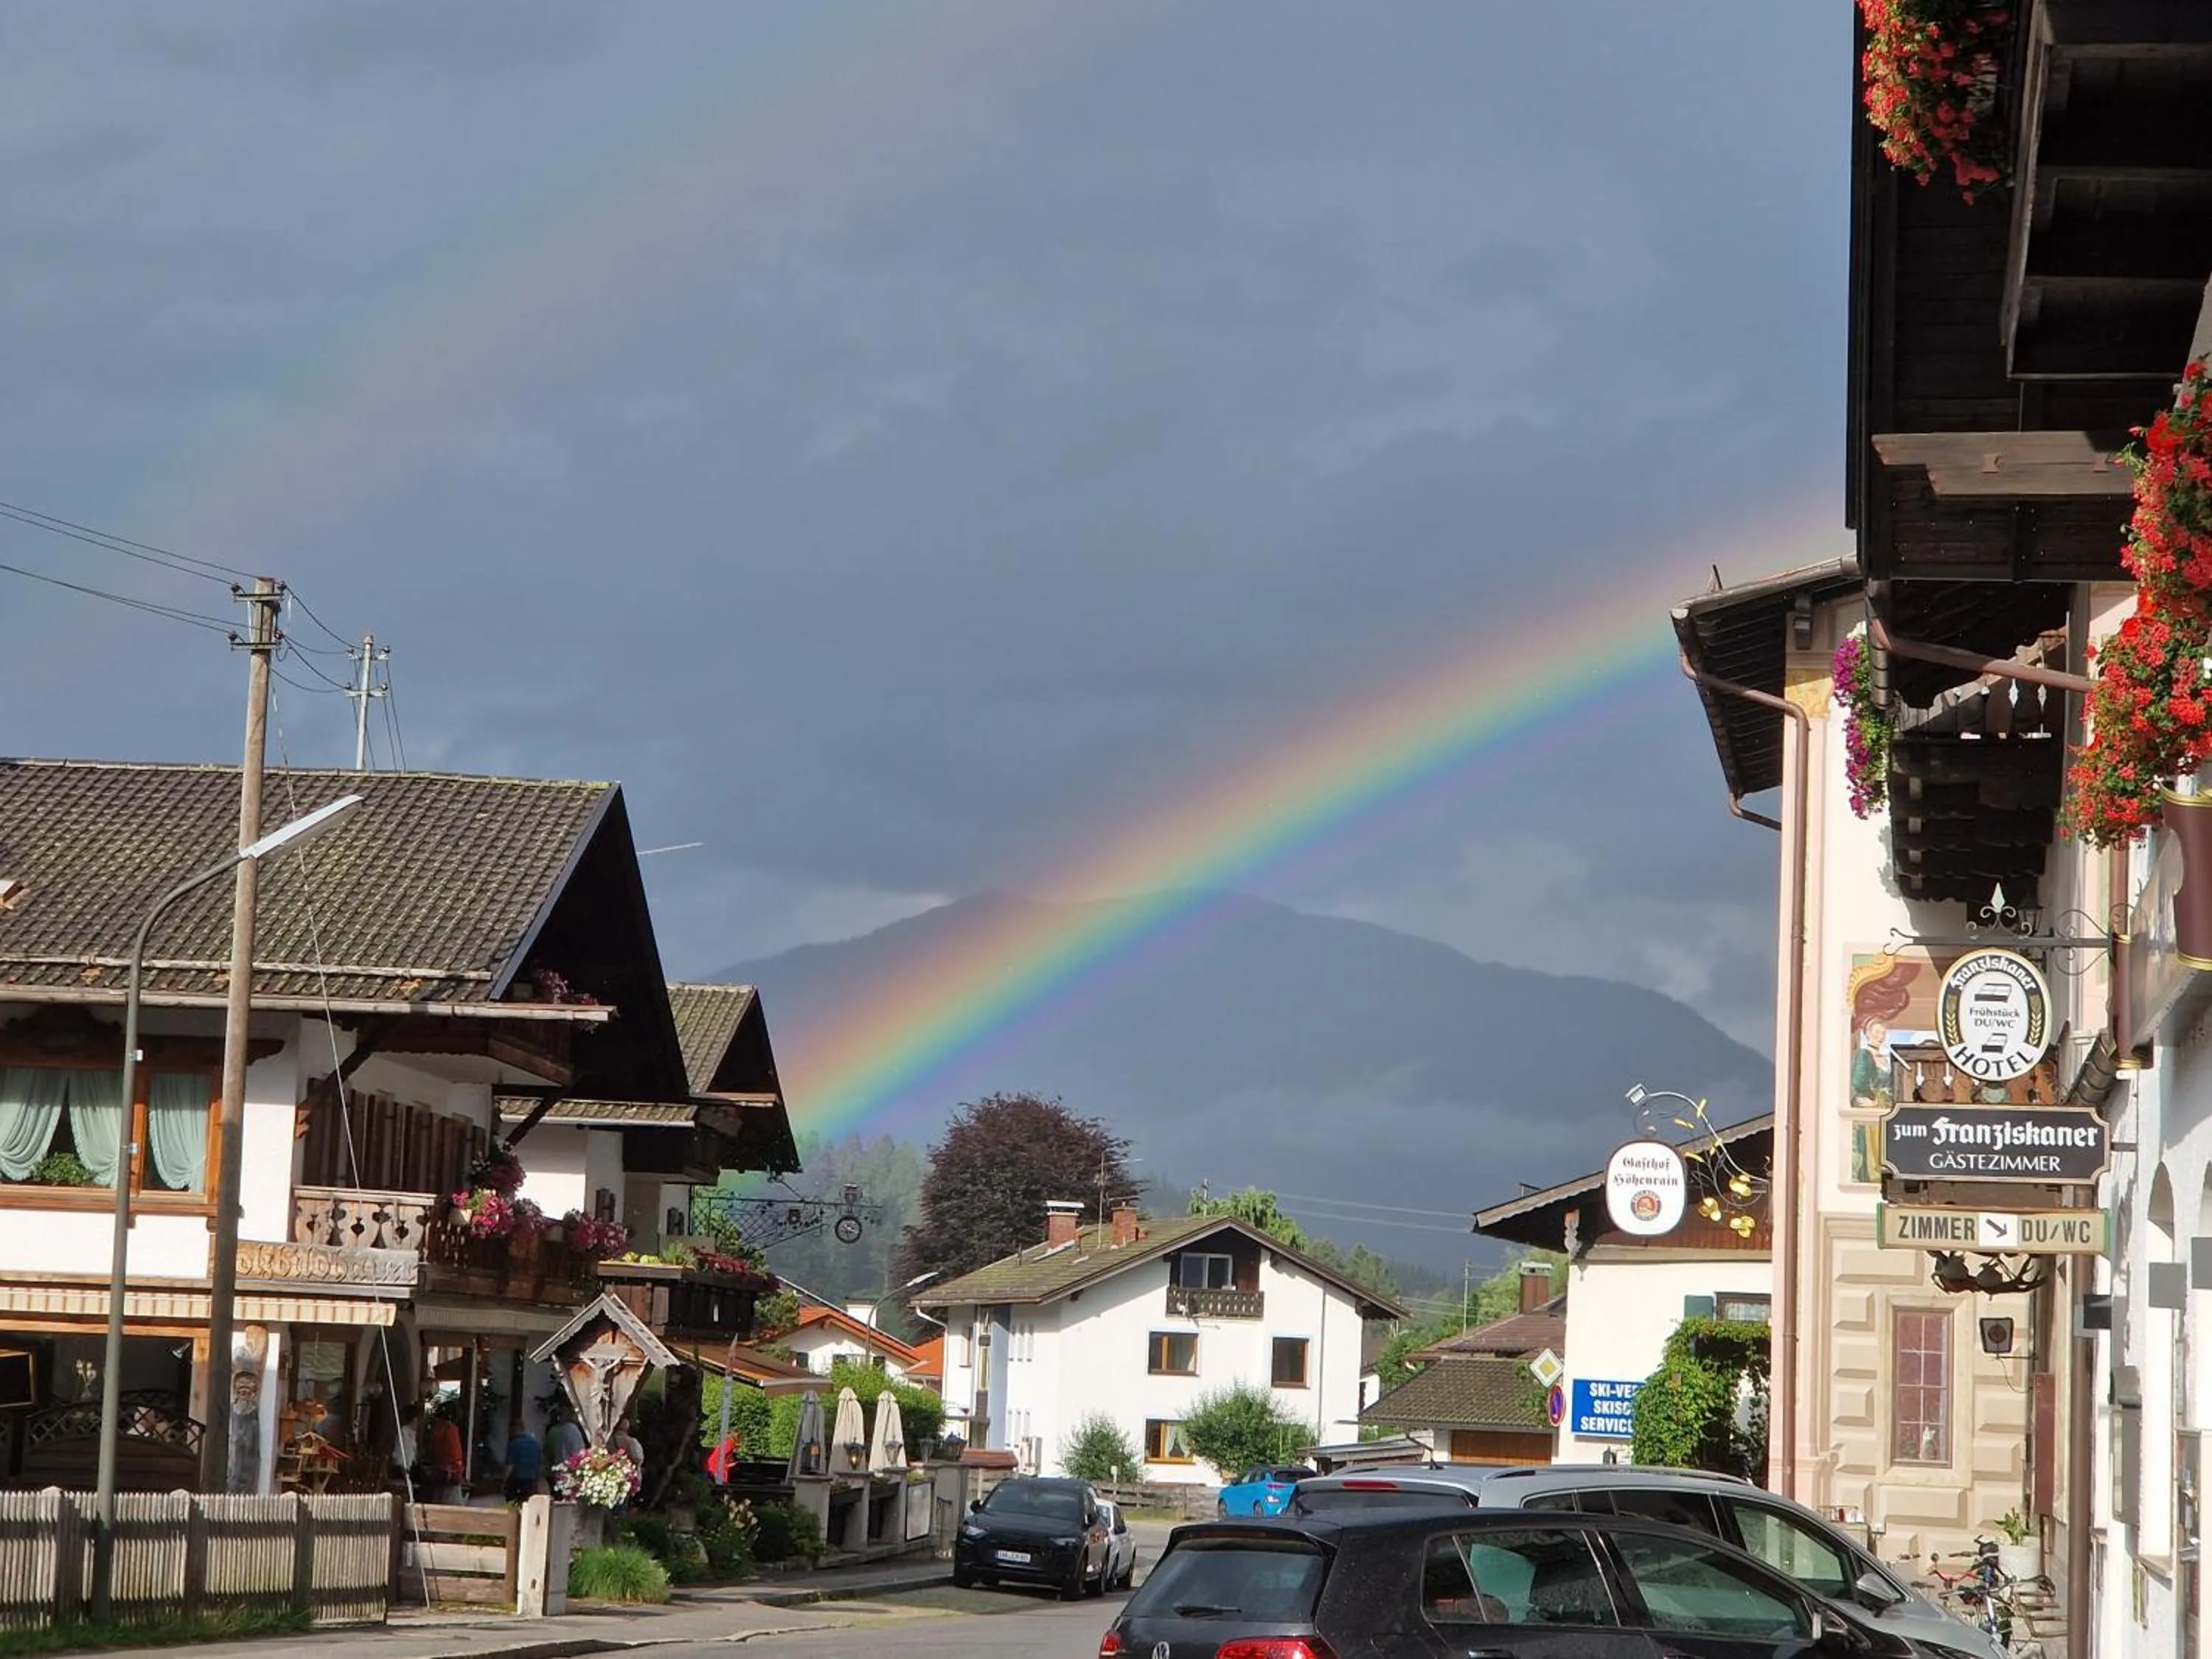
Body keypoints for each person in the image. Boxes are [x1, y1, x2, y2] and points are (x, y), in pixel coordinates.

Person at [422, 1406, 465, 1503]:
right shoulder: (451, 1429)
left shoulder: (435, 1430)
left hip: (438, 1471)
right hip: (451, 1473)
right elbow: (454, 1454)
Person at [544, 1406, 586, 1489]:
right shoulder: (574, 1430)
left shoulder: (553, 1431)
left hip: (558, 1471)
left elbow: (547, 1453)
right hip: (573, 1470)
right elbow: (580, 1451)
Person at [504, 1422, 543, 1502]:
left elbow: (510, 1466)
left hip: (518, 1479)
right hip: (531, 1479)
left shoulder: (515, 1443)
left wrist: (504, 1482)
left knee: (513, 1503)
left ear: (515, 1429)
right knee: (528, 1503)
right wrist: (538, 1480)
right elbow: (540, 1464)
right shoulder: (535, 1443)